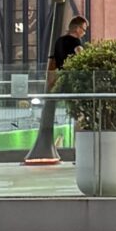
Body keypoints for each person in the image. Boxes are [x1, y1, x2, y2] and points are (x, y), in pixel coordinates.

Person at [34, 12, 88, 164]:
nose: (84, 33)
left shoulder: (59, 42)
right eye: (84, 29)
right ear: (77, 29)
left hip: (60, 84)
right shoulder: (76, 43)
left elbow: (53, 63)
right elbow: (83, 59)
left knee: (74, 116)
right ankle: (80, 154)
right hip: (74, 84)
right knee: (81, 118)